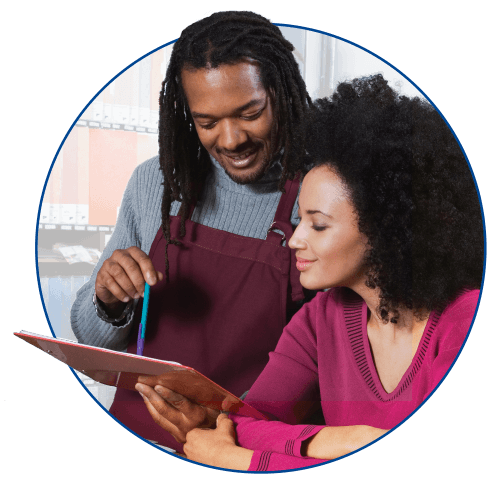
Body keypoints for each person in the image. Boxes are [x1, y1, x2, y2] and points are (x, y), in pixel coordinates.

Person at [137, 75, 484, 470]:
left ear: (389, 229)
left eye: (317, 225)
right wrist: (348, 441)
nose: (295, 239)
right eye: (298, 219)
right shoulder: (321, 319)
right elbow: (244, 422)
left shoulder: (468, 323)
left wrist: (242, 463)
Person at [70, 11, 315, 452]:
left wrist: (223, 427)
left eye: (250, 112)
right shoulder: (156, 185)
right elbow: (89, 341)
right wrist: (105, 301)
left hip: (246, 453)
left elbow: (328, 378)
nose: (231, 139)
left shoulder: (319, 201)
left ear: (280, 92)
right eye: (207, 122)